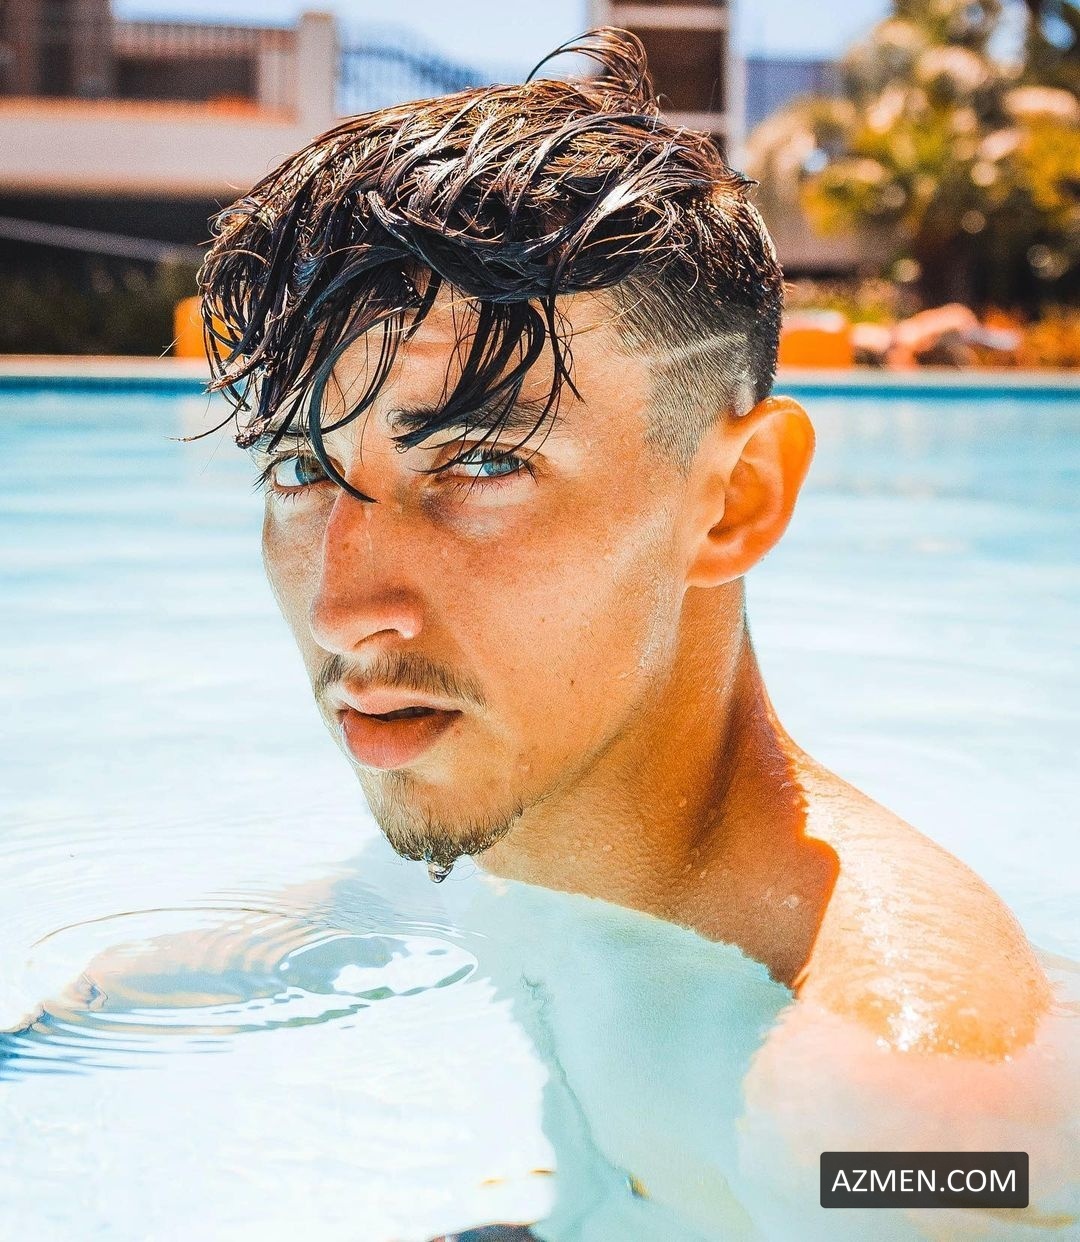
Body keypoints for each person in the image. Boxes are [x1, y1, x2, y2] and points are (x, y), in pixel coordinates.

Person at [196, 29, 1074, 1237]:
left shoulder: (885, 1114)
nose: (342, 608)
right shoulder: (510, 814)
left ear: (736, 500)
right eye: (302, 467)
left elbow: (989, 1180)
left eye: (484, 463)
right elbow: (337, 923)